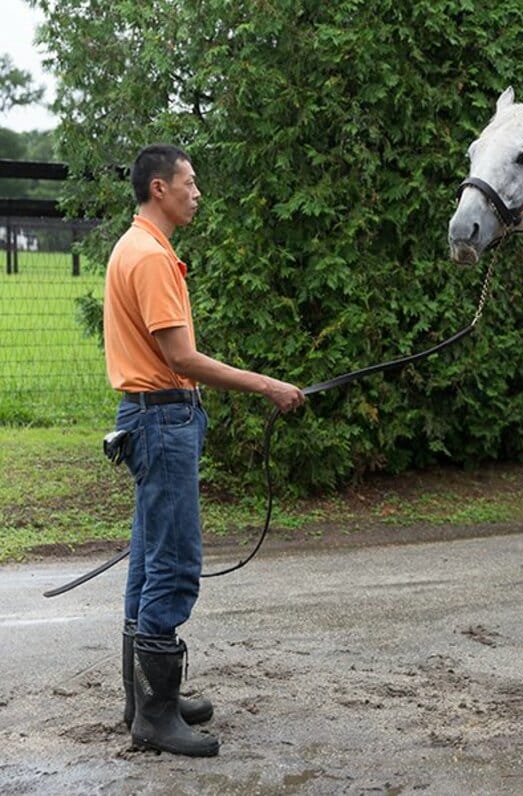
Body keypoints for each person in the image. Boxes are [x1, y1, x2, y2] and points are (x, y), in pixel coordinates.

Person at [104, 144, 305, 757]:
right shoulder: (153, 259)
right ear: (159, 189)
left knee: (148, 556)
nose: (198, 193)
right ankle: (156, 717)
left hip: (146, 418)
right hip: (162, 421)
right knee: (173, 562)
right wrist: (267, 385)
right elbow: (182, 359)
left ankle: (144, 699)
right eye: (189, 183)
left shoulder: (132, 246)